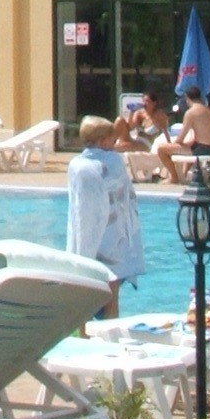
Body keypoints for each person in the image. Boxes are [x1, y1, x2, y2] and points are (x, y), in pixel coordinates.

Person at [66, 114, 146, 316]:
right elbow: (124, 195)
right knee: (111, 293)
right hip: (113, 236)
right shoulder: (113, 161)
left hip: (85, 234)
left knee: (84, 290)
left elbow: (78, 206)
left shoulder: (76, 165)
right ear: (102, 141)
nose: (115, 143)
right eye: (113, 140)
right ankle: (111, 329)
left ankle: (83, 331)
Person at [155, 86, 210, 182]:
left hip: (202, 149)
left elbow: (181, 137)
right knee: (188, 147)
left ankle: (174, 177)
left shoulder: (191, 113)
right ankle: (183, 175)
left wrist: (173, 145)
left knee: (161, 149)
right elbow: (199, 137)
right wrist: (184, 145)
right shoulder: (208, 110)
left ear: (187, 98)